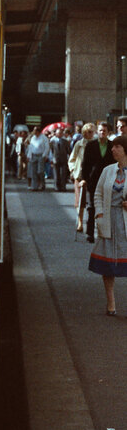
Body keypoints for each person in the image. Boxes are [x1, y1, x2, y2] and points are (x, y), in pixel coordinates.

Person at [89, 134, 127, 316]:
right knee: (107, 265)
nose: (113, 149)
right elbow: (97, 193)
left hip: (125, 222)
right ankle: (111, 302)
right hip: (109, 220)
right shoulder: (108, 170)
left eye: (117, 147)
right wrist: (100, 213)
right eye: (112, 147)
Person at [81, 121, 113, 241]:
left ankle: (104, 233)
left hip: (107, 180)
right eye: (99, 130)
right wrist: (84, 179)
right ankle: (90, 233)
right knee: (91, 207)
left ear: (108, 133)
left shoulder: (112, 146)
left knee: (106, 207)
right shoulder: (91, 145)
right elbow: (85, 164)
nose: (101, 133)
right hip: (92, 180)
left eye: (104, 131)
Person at [69, 122, 95, 229]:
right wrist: (73, 170)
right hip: (79, 175)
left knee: (92, 201)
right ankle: (80, 221)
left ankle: (91, 221)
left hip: (92, 176)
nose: (91, 134)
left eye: (92, 132)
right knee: (79, 200)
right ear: (84, 132)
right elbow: (72, 159)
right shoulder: (79, 144)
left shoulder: (96, 145)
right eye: (89, 132)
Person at [26, 126, 50, 190]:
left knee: (40, 171)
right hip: (33, 155)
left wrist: (45, 155)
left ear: (38, 131)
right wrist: (29, 156)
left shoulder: (44, 138)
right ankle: (34, 186)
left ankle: (42, 184)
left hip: (41, 155)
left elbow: (47, 147)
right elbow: (30, 147)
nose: (34, 132)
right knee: (33, 171)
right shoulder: (33, 138)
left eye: (35, 131)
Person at [50, 127, 70, 192]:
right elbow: (51, 150)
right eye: (58, 133)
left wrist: (68, 158)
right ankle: (56, 187)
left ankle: (63, 186)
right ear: (56, 133)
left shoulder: (65, 141)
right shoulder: (52, 141)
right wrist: (51, 158)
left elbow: (68, 150)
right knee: (56, 174)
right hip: (55, 158)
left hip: (64, 159)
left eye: (61, 133)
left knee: (63, 174)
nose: (60, 134)